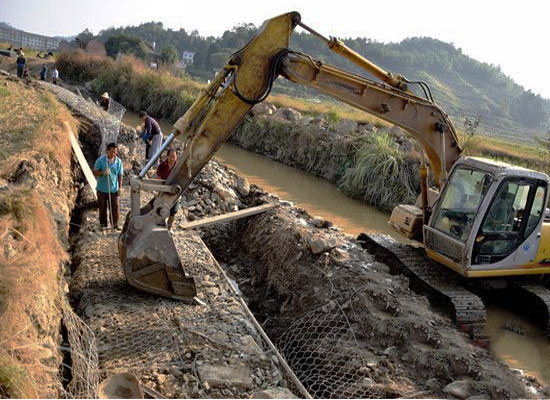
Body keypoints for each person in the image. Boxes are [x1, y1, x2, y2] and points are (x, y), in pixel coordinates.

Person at [92, 143, 124, 230]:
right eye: (112, 152)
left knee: (114, 208)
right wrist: (102, 173)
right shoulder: (101, 161)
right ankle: (103, 225)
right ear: (107, 151)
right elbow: (94, 172)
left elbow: (120, 174)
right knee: (102, 208)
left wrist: (120, 187)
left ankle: (115, 225)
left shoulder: (118, 161)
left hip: (113, 189)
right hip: (102, 189)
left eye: (115, 152)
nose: (114, 154)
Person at [156, 148, 180, 230]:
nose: (172, 159)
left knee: (173, 211)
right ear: (167, 156)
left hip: (174, 193)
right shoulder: (162, 166)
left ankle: (169, 228)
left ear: (176, 157)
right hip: (163, 191)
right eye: (170, 156)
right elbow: (158, 179)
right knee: (161, 209)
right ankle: (159, 225)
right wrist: (160, 191)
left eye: (174, 157)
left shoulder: (179, 167)